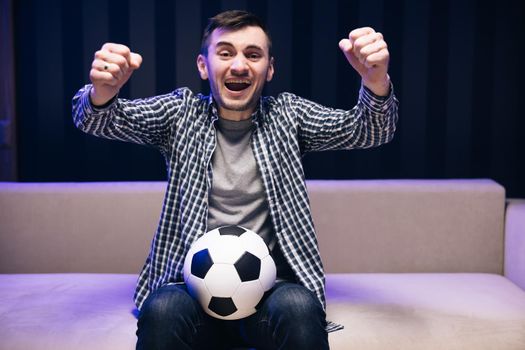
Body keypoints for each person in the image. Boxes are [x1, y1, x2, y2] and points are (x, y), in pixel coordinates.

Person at [72, 10, 398, 350]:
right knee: (163, 308)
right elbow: (98, 120)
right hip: (190, 287)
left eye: (253, 54)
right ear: (203, 65)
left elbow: (370, 129)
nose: (239, 65)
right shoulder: (180, 114)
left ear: (269, 69)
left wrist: (375, 80)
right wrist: (103, 92)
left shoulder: (289, 115)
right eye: (225, 53)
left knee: (301, 308)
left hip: (273, 289)